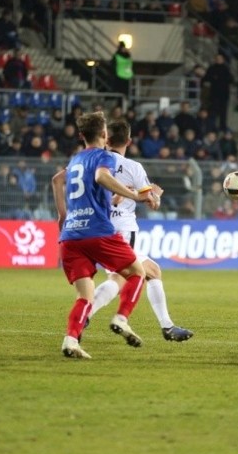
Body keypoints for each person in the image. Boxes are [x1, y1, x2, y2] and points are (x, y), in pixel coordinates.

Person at [52, 111, 157, 359]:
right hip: (97, 231)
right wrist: (134, 196)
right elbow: (101, 176)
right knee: (137, 272)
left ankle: (70, 341)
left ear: (81, 136)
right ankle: (121, 318)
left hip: (70, 236)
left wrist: (62, 216)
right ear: (104, 134)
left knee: (84, 296)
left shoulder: (76, 159)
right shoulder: (103, 156)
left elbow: (57, 180)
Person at [86, 118, 194, 342]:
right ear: (129, 141)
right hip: (122, 230)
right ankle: (88, 311)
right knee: (119, 279)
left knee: (152, 270)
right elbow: (151, 202)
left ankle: (167, 326)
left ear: (106, 139)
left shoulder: (92, 161)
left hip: (95, 227)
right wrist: (157, 195)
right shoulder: (133, 167)